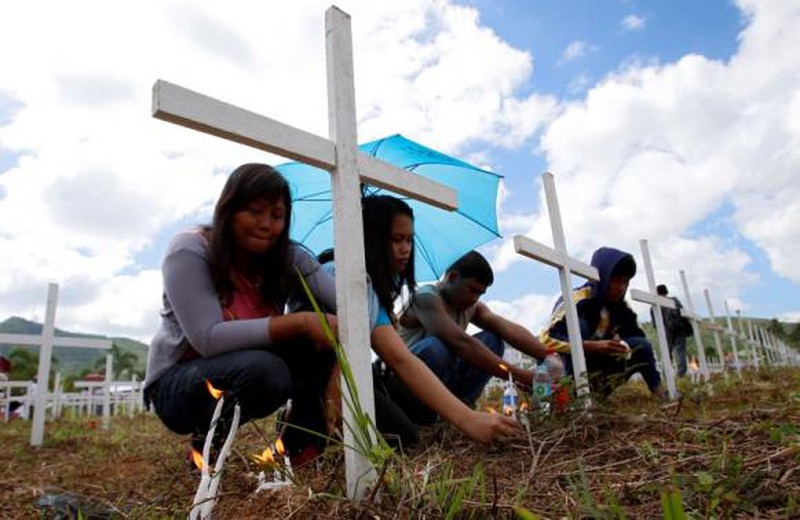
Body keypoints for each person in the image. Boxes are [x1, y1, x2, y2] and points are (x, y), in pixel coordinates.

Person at [144, 163, 340, 458]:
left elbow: (348, 303)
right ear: (228, 210)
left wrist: (335, 372)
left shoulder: (287, 256)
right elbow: (207, 338)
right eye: (255, 210)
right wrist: (298, 322)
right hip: (178, 383)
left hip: (248, 364)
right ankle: (207, 446)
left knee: (312, 341)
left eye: (277, 215)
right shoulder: (190, 249)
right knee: (267, 370)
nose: (266, 224)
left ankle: (302, 447)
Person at [301, 195, 521, 452]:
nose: (406, 249)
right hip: (313, 383)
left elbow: (400, 357)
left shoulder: (372, 292)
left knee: (406, 438)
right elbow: (395, 358)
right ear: (370, 239)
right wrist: (469, 420)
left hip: (359, 381)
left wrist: (466, 418)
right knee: (397, 439)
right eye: (396, 240)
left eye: (409, 240)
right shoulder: (333, 275)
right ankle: (303, 421)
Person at [394, 250, 559, 424]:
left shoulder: (472, 307)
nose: (474, 298)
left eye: (480, 293)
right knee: (436, 348)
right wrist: (520, 375)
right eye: (471, 290)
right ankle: (424, 419)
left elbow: (506, 328)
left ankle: (457, 413)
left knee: (492, 340)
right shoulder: (425, 297)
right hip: (405, 380)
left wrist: (548, 354)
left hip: (443, 380)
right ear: (452, 277)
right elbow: (460, 343)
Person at [541, 246, 666, 399]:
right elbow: (546, 340)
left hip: (598, 372)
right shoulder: (577, 299)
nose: (621, 288)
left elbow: (637, 337)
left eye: (625, 282)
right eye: (616, 280)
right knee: (579, 326)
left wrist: (619, 343)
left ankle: (660, 394)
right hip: (564, 373)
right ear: (602, 277)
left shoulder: (620, 308)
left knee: (642, 346)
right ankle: (574, 397)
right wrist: (589, 346)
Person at [650, 284, 689, 377]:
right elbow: (683, 313)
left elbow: (655, 323)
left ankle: (666, 376)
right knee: (680, 353)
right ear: (666, 292)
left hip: (665, 332)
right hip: (679, 330)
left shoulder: (654, 305)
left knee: (666, 354)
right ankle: (681, 376)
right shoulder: (674, 301)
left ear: (657, 293)